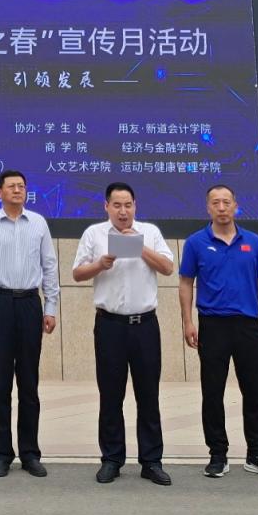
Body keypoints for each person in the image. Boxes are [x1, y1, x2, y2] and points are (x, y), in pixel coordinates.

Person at [178, 185, 258, 480]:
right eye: (216, 202)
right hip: (212, 325)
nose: (222, 207)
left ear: (236, 205)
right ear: (208, 207)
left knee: (254, 392)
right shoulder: (196, 242)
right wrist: (187, 322)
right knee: (212, 392)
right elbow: (186, 283)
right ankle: (217, 454)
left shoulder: (253, 242)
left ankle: (257, 454)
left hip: (248, 325)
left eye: (226, 202)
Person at [72, 182, 174, 486]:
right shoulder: (94, 234)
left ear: (135, 206)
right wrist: (100, 264)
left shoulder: (150, 232)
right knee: (110, 395)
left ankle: (151, 461)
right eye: (116, 205)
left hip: (145, 326)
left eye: (128, 205)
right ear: (106, 207)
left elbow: (168, 267)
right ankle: (112, 459)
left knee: (148, 395)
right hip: (110, 326)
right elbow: (77, 273)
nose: (123, 211)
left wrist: (139, 247)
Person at [0, 169, 59, 478]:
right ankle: (2, 454)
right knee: (1, 383)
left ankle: (30, 453)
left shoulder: (39, 223)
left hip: (30, 303)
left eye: (22, 186)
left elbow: (49, 266)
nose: (18, 190)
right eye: (12, 186)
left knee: (29, 383)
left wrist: (51, 307)